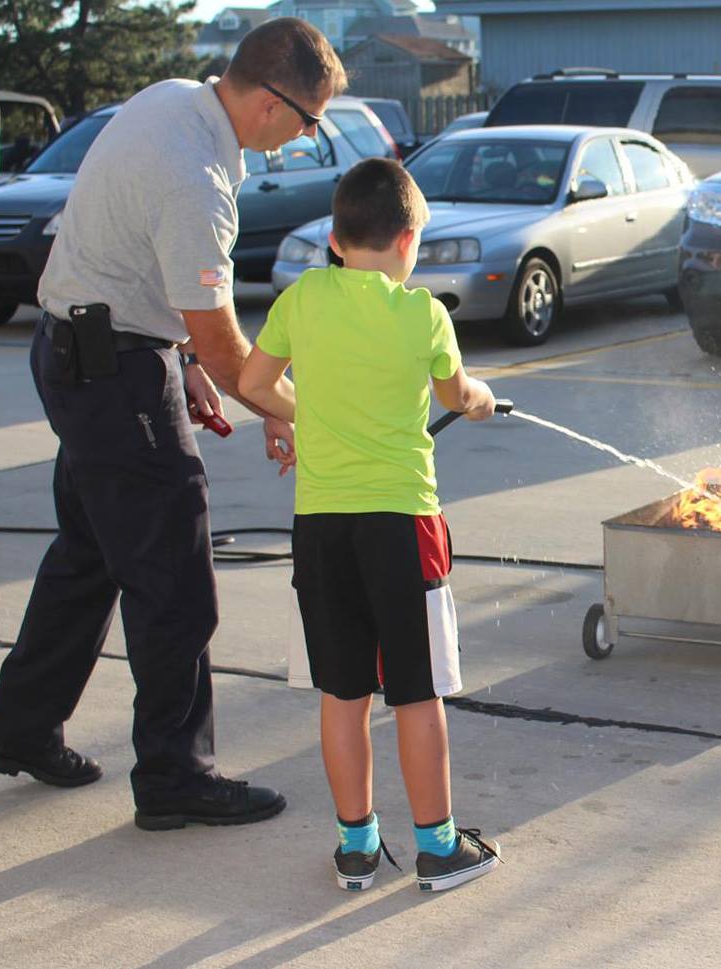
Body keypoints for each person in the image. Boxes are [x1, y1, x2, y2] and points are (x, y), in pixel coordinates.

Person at [0, 18, 346, 831]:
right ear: (274, 103)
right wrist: (304, 417)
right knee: (174, 574)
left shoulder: (171, 101)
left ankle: (22, 725)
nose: (305, 138)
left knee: (92, 551)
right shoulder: (197, 177)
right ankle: (176, 773)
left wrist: (191, 367)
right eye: (310, 121)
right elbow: (223, 336)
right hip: (114, 373)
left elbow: (170, 298)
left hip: (78, 349)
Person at [238, 158, 503, 892]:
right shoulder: (423, 314)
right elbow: (457, 391)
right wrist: (479, 397)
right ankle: (439, 846)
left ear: (334, 236)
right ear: (410, 239)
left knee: (343, 691)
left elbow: (255, 384)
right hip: (401, 526)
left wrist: (306, 417)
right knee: (416, 693)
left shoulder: (302, 298)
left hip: (321, 528)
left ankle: (356, 848)